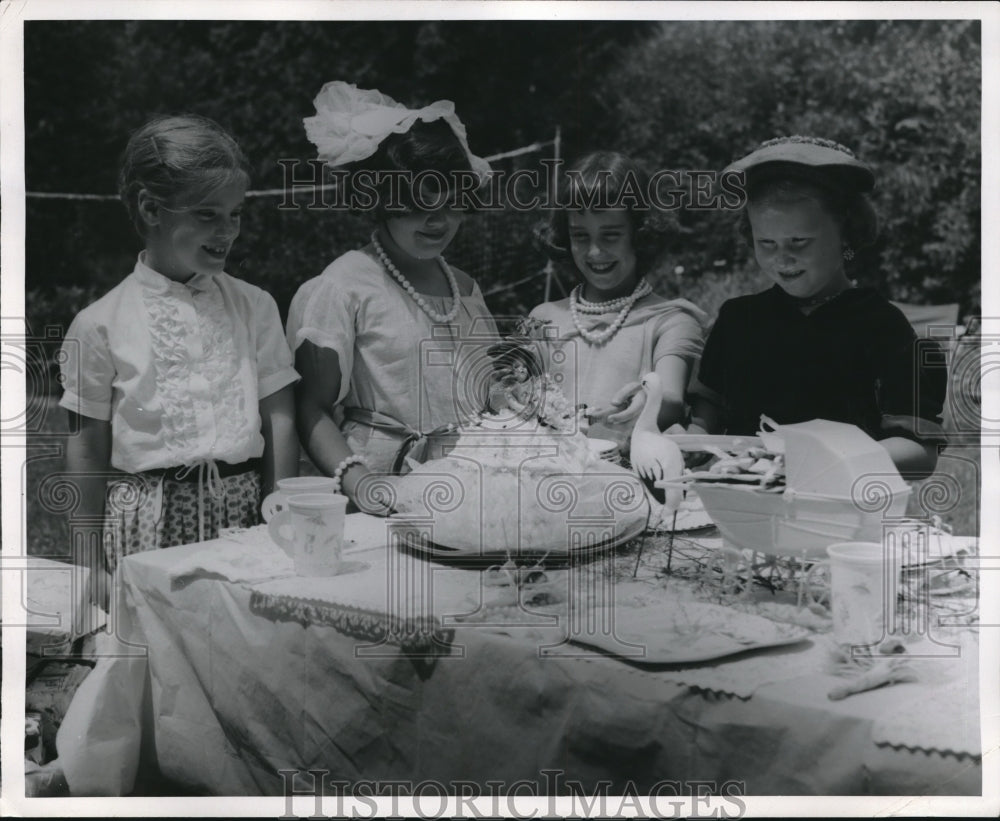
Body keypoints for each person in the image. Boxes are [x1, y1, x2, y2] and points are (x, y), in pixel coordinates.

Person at [59, 114, 299, 603]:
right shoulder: (100, 322)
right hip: (147, 526)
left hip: (244, 521)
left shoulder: (255, 306)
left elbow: (280, 419)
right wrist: (88, 565)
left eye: (235, 214)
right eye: (207, 214)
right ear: (151, 209)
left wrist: (280, 521)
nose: (227, 230)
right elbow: (86, 447)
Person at [286, 81, 497, 513]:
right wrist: (361, 484)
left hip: (471, 487)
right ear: (382, 200)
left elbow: (490, 394)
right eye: (417, 205)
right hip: (383, 490)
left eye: (451, 203)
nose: (436, 221)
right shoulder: (344, 286)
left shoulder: (466, 289)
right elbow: (312, 409)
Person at [688, 135, 947, 475]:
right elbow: (708, 409)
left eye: (799, 241)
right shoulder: (739, 320)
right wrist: (693, 438)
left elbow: (919, 451)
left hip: (839, 512)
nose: (783, 258)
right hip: (743, 507)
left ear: (846, 232)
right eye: (766, 243)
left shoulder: (881, 326)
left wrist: (821, 464)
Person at [529, 151, 707, 455]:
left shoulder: (671, 320)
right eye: (580, 236)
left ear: (641, 234)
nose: (595, 251)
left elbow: (670, 395)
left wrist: (646, 400)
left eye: (611, 235)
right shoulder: (544, 318)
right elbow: (515, 396)